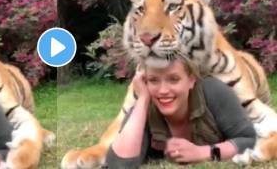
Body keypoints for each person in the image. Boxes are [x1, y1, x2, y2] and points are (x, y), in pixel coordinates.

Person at [105, 56, 256, 168]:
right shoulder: (144, 108)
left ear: (191, 80)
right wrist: (143, 99)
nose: (163, 91)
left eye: (174, 79)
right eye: (153, 80)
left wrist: (203, 153)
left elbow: (250, 140)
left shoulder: (213, 91)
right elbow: (118, 164)